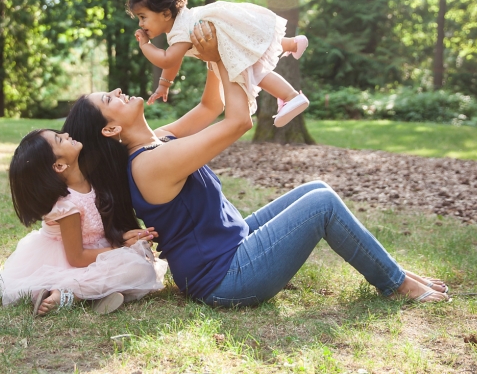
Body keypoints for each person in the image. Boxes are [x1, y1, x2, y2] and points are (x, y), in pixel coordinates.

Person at [62, 21, 449, 307]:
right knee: (323, 204)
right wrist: (221, 55)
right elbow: (237, 121)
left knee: (315, 189)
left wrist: (212, 50)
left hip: (233, 244)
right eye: (109, 99)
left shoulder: (157, 140)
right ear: (111, 129)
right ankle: (396, 285)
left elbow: (211, 107)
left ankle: (395, 274)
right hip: (223, 277)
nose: (117, 91)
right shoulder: (150, 164)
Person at [0, 129, 167, 316]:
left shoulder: (91, 181)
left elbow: (94, 233)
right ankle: (67, 294)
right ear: (59, 166)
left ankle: (95, 296)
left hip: (93, 252)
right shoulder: (66, 206)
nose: (66, 134)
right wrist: (121, 246)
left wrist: (122, 238)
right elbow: (77, 258)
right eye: (60, 140)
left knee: (140, 264)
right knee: (139, 269)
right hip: (67, 260)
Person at [128, 0, 310, 127]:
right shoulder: (180, 25)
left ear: (166, 14)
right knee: (254, 42)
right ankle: (293, 44)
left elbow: (167, 59)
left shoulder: (181, 30)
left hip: (227, 41)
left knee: (254, 71)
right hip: (231, 31)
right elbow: (174, 59)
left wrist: (145, 45)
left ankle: (291, 96)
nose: (140, 24)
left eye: (143, 17)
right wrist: (164, 84)